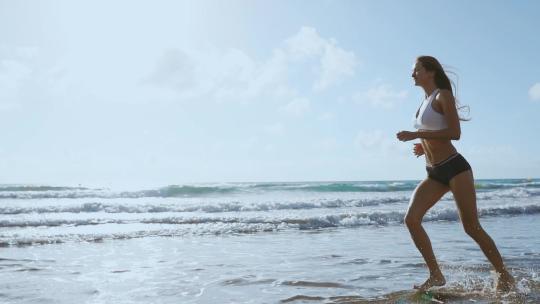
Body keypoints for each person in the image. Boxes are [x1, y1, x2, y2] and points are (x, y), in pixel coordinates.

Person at [396, 55, 516, 293]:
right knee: (411, 219)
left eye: (417, 70)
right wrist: (423, 145)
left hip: (455, 168)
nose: (413, 74)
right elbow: (433, 129)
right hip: (434, 172)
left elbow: (454, 132)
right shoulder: (424, 101)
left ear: (430, 72)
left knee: (471, 227)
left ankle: (503, 274)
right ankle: (436, 274)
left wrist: (415, 135)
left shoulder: (443, 95)